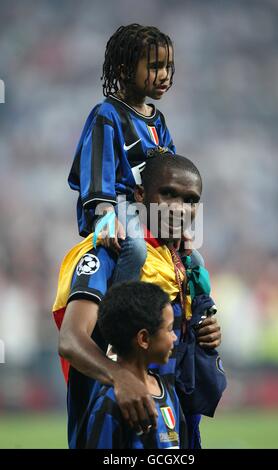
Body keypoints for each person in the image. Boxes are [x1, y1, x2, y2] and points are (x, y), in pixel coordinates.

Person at [53, 152, 222, 448]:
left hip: (171, 418)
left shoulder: (183, 265)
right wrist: (120, 377)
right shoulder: (108, 254)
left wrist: (202, 333)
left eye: (190, 201)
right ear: (141, 196)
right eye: (168, 194)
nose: (179, 209)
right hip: (111, 424)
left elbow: (172, 343)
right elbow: (70, 340)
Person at [68, 23, 203, 283]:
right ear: (125, 70)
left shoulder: (158, 120)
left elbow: (172, 173)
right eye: (154, 67)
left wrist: (182, 227)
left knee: (195, 259)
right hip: (118, 204)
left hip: (150, 206)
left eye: (168, 67)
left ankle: (197, 314)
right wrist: (104, 213)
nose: (164, 75)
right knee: (137, 248)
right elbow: (97, 169)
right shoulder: (107, 114)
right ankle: (121, 305)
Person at [85, 281, 188, 449]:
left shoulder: (168, 391)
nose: (174, 338)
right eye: (169, 330)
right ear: (144, 339)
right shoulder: (110, 404)